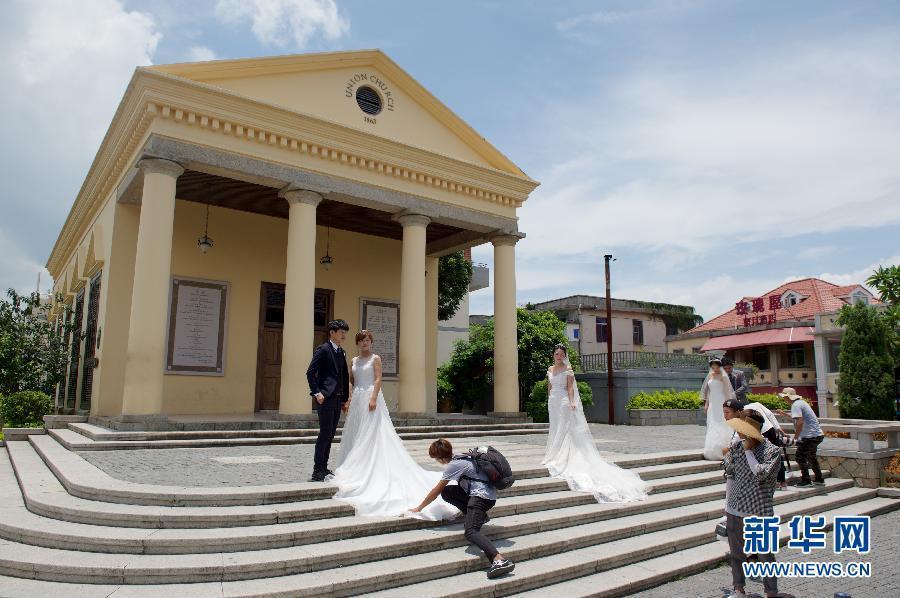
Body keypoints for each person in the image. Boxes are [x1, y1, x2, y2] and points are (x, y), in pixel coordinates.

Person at [329, 330, 457, 520]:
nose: (365, 343)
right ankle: (354, 465)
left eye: (367, 340)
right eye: (362, 340)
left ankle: (370, 465)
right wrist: (348, 399)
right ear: (357, 343)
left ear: (371, 342)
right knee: (356, 434)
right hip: (357, 398)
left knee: (371, 434)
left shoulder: (375, 358)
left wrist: (373, 398)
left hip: (371, 396)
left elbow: (378, 379)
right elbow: (351, 380)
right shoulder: (354, 360)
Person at [543, 344, 647, 502]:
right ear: (553, 355)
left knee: (565, 430)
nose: (559, 356)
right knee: (555, 428)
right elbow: (550, 387)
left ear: (565, 356)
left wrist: (571, 402)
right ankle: (554, 453)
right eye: (556, 354)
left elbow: (570, 388)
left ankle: (563, 457)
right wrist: (549, 400)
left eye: (561, 354)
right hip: (553, 402)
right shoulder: (550, 370)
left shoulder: (568, 369)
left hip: (564, 401)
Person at [411, 438, 515, 579]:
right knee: (448, 492)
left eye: (436, 459)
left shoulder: (453, 465)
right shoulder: (463, 456)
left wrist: (419, 507)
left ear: (440, 458)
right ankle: (480, 516)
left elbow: (435, 491)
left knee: (471, 532)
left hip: (481, 498)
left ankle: (499, 559)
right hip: (487, 495)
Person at [723, 412, 785, 598]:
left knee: (765, 555)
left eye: (743, 431)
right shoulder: (737, 447)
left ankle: (771, 592)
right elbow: (730, 471)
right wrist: (727, 456)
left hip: (760, 509)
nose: (740, 434)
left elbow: (761, 473)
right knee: (737, 553)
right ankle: (739, 589)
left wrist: (749, 452)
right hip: (735, 505)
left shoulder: (772, 451)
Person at [306, 319, 351, 482]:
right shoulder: (323, 349)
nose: (344, 335)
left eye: (345, 332)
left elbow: (344, 376)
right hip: (325, 398)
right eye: (341, 332)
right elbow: (310, 373)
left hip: (338, 399)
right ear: (332, 333)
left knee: (331, 434)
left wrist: (346, 399)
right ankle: (317, 470)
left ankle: (324, 468)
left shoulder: (342, 352)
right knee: (324, 433)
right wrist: (317, 393)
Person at [776, 387, 824, 487]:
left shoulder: (796, 405)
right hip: (817, 435)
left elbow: (800, 422)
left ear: (788, 397)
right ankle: (819, 478)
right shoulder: (801, 403)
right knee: (811, 457)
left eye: (784, 397)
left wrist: (796, 437)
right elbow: (798, 418)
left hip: (809, 436)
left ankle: (806, 480)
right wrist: (785, 414)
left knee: (799, 457)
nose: (784, 399)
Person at [702, 357, 737, 460]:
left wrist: (727, 405)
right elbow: (708, 391)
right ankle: (712, 449)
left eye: (716, 366)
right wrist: (706, 403)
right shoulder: (710, 375)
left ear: (719, 366)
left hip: (721, 402)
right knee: (712, 423)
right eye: (713, 366)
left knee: (723, 423)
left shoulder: (723, 376)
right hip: (713, 403)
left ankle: (725, 448)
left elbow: (728, 392)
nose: (714, 368)